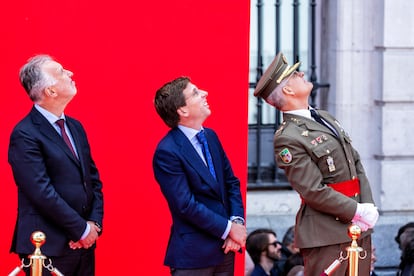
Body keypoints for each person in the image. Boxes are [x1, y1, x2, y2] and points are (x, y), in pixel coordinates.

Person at [253, 52, 379, 275]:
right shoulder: (288, 137)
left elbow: (355, 160)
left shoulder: (324, 117)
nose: (301, 73)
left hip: (358, 226)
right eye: (293, 75)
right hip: (327, 232)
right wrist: (356, 210)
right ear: (288, 91)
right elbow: (312, 190)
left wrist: (367, 207)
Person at [8, 55, 104, 275]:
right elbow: (41, 192)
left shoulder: (75, 127)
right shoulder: (25, 134)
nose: (70, 73)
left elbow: (92, 180)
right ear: (50, 91)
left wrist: (93, 225)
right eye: (61, 71)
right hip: (46, 246)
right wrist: (80, 230)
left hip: (83, 246)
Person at [152, 76, 247, 276]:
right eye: (195, 92)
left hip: (226, 249)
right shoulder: (167, 151)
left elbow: (231, 183)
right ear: (183, 110)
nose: (205, 93)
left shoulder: (210, 136)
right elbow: (185, 204)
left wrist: (237, 223)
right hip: (194, 257)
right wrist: (229, 229)